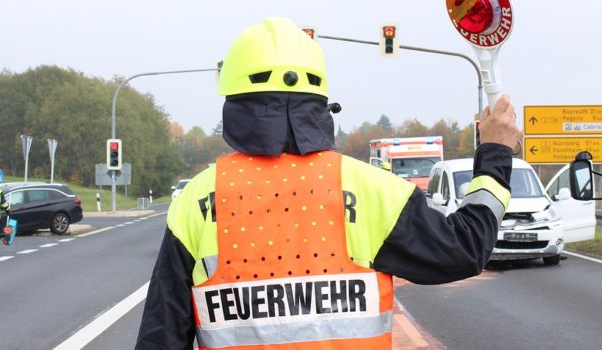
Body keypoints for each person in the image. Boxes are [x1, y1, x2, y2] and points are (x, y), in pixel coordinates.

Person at [136, 17, 521, 349]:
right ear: (321, 103)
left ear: (235, 101)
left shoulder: (197, 199)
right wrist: (495, 153)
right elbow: (467, 247)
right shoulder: (371, 189)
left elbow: (161, 337)